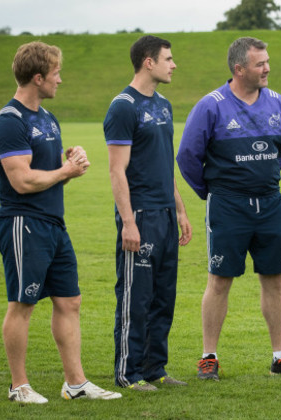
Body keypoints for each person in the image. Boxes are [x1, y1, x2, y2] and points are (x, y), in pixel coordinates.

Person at [0, 41, 122, 404]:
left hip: (53, 223)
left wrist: (71, 163)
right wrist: (65, 170)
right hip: (23, 223)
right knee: (23, 303)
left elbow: (47, 174)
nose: (60, 80)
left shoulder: (47, 118)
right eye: (55, 73)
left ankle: (75, 384)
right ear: (37, 77)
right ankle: (19, 386)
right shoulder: (10, 121)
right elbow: (22, 181)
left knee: (70, 301)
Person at [177, 36, 281, 381]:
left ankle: (280, 356)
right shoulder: (211, 105)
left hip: (271, 204)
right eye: (260, 63)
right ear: (239, 69)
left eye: (267, 61)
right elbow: (187, 156)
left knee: (275, 280)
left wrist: (264, 180)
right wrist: (214, 191)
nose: (267, 68)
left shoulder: (278, 103)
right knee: (219, 281)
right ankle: (209, 357)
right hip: (228, 206)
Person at [104, 35, 192, 392]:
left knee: (161, 297)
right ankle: (128, 373)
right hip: (139, 215)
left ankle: (155, 368)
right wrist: (128, 221)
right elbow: (116, 170)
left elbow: (164, 165)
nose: (174, 65)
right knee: (135, 298)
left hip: (165, 215)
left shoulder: (164, 105)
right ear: (148, 62)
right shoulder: (123, 107)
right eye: (168, 59)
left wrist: (181, 210)